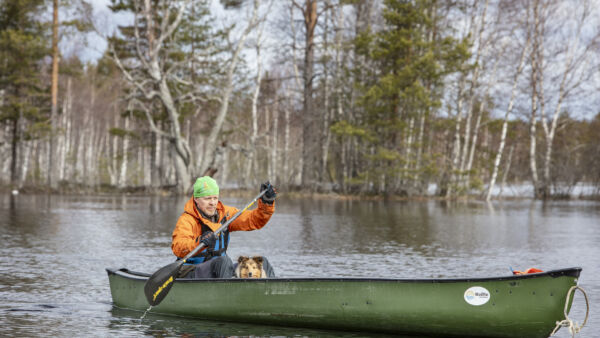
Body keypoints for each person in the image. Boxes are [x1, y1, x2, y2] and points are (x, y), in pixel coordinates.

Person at [171, 176, 277, 278]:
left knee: (261, 263)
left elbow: (254, 220)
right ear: (196, 199)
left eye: (215, 198)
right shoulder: (187, 220)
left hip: (220, 270)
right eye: (207, 198)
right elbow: (178, 247)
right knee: (223, 261)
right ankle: (227, 294)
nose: (212, 203)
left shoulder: (225, 214)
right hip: (191, 271)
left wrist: (267, 202)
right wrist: (199, 242)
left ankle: (272, 292)